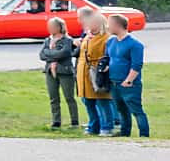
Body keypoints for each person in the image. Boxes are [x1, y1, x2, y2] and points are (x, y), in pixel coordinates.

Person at [104, 14, 148, 138]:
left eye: (109, 24)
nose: (107, 27)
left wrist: (129, 80)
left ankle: (144, 135)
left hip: (129, 84)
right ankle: (125, 133)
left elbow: (137, 65)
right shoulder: (110, 42)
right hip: (114, 82)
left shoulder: (134, 44)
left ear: (117, 25)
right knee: (121, 110)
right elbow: (108, 58)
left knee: (136, 110)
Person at [73, 7, 114, 135]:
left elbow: (109, 56)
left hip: (98, 73)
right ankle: (93, 126)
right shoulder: (88, 36)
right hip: (84, 73)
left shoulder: (107, 38)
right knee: (88, 101)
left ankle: (107, 126)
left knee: (102, 101)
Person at [38, 16, 80, 129]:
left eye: (52, 26)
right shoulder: (47, 40)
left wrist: (50, 53)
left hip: (64, 72)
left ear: (59, 27)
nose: (50, 28)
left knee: (69, 97)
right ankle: (56, 121)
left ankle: (74, 121)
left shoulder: (67, 40)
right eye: (49, 26)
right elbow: (41, 55)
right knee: (53, 97)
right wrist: (53, 54)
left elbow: (64, 53)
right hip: (50, 72)